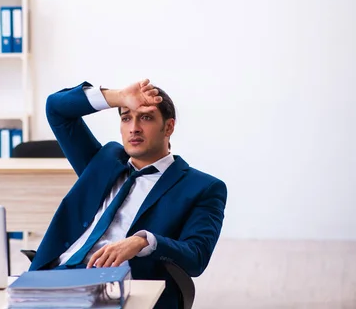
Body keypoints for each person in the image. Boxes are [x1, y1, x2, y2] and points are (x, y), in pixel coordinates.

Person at [28, 79, 227, 308]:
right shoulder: (104, 161)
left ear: (169, 127)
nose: (134, 128)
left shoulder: (202, 187)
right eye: (126, 117)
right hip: (52, 279)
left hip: (119, 290)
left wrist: (143, 241)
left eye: (146, 117)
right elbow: (56, 108)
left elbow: (196, 256)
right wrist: (119, 97)